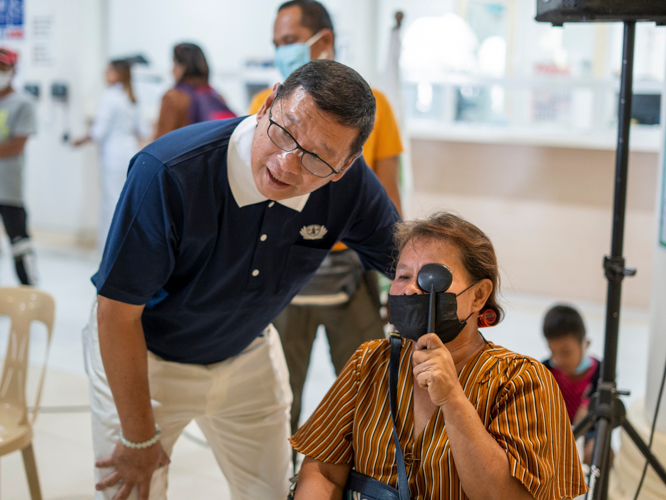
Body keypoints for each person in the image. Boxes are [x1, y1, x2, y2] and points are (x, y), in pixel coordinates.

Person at [84, 59, 400, 500]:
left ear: (344, 166)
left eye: (317, 158)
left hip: (246, 352)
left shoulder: (347, 185)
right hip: (147, 358)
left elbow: (403, 259)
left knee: (270, 491)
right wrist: (138, 438)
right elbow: (116, 313)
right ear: (268, 103)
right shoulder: (169, 172)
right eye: (285, 132)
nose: (288, 164)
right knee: (135, 489)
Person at [291, 212, 588, 500]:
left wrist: (453, 400)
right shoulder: (368, 363)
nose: (409, 289)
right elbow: (323, 470)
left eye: (431, 278)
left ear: (478, 295)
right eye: (403, 275)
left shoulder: (522, 381)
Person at [249, 0, 404, 446]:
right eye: (277, 43)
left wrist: (396, 283)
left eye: (290, 41)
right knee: (278, 401)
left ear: (324, 41)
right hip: (284, 277)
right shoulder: (267, 105)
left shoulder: (374, 111)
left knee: (373, 396)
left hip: (349, 274)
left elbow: (390, 203)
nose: (282, 50)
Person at [73, 59, 149, 253]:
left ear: (119, 74)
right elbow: (142, 129)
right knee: (128, 202)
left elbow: (98, 132)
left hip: (113, 156)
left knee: (111, 202)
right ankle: (128, 249)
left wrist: (78, 141)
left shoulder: (109, 96)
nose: (105, 75)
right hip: (131, 153)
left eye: (109, 71)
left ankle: (108, 250)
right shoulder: (132, 96)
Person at [542, 303, 601, 465]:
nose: (558, 359)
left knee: (600, 452)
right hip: (555, 433)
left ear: (586, 344)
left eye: (565, 352)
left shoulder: (601, 372)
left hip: (588, 434)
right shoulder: (545, 370)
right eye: (552, 351)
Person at [0, 48, 37, 286]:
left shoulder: (22, 103)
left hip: (8, 187)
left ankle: (29, 292)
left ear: (13, 70)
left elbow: (17, 144)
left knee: (19, 245)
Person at [154, 42, 235, 139]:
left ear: (182, 67)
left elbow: (161, 143)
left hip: (184, 154)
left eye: (174, 63)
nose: (172, 70)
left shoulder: (172, 97)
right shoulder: (217, 96)